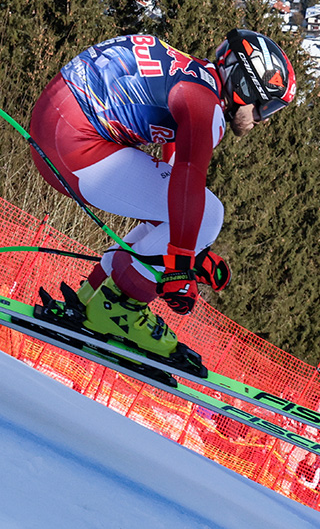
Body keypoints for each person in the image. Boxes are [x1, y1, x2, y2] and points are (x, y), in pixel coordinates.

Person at [26, 30, 296, 367]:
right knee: (210, 214)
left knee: (192, 216)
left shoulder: (193, 78)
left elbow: (168, 195)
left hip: (57, 127)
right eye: (264, 107)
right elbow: (187, 181)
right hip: (73, 146)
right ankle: (119, 310)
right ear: (242, 86)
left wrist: (191, 252)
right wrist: (180, 265)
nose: (261, 120)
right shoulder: (205, 106)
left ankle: (92, 296)